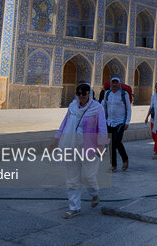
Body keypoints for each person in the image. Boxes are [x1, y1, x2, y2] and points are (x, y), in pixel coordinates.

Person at [49, 83, 108, 219]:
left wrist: (101, 145)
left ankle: (94, 193)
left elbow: (102, 128)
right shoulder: (72, 107)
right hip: (71, 145)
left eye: (83, 93)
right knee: (72, 177)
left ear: (89, 94)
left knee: (87, 176)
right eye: (78, 93)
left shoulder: (97, 108)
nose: (80, 96)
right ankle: (74, 207)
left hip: (89, 146)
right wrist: (55, 141)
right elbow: (64, 124)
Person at [102, 77, 131, 172]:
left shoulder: (124, 94)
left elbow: (128, 109)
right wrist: (103, 119)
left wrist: (127, 122)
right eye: (113, 83)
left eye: (116, 83)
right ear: (110, 84)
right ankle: (113, 165)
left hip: (120, 122)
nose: (114, 84)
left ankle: (125, 158)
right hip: (109, 122)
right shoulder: (108, 93)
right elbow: (104, 107)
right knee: (111, 144)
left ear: (119, 84)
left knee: (117, 141)